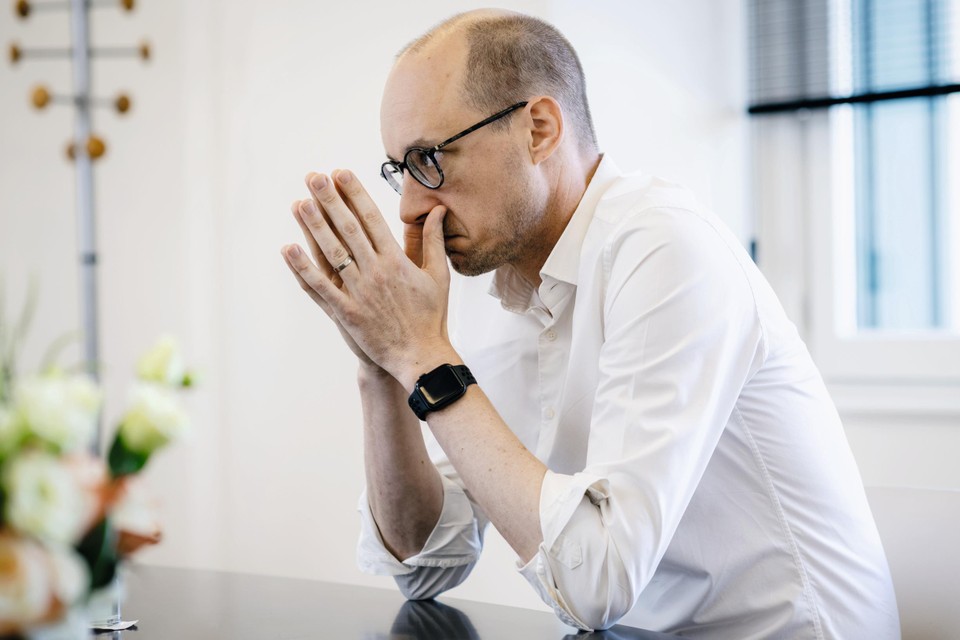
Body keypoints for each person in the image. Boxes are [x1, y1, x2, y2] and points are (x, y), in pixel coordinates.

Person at [280, 9, 900, 638]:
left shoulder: (666, 250)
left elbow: (600, 581)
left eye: (430, 159)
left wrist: (421, 355)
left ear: (539, 129)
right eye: (400, 170)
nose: (412, 208)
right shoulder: (482, 278)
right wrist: (382, 365)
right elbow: (425, 565)